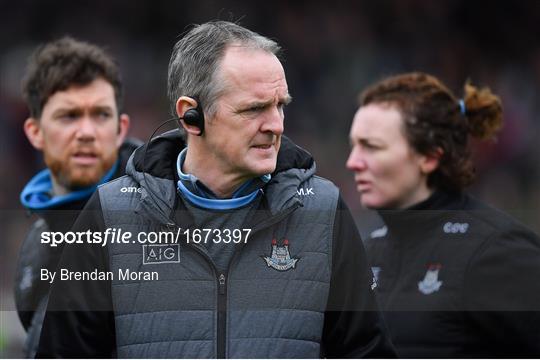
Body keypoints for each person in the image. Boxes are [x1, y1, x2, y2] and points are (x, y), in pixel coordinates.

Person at [36, 21, 395, 358]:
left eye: (280, 106)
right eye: (254, 109)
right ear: (191, 115)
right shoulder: (108, 213)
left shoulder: (324, 209)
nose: (275, 125)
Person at [346, 71, 540, 357]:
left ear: (430, 156)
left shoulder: (496, 251)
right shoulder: (367, 253)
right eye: (353, 145)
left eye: (371, 147)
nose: (353, 162)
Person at [15, 36, 140, 358]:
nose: (86, 132)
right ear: (34, 131)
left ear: (120, 128)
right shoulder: (34, 244)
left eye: (100, 115)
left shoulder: (157, 219)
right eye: (69, 116)